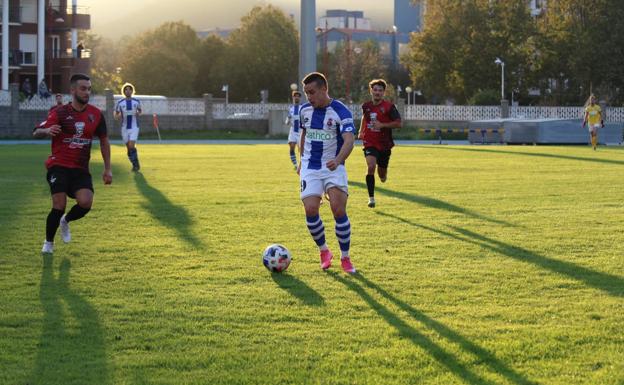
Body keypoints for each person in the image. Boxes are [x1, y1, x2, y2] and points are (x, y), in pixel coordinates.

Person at [33, 73, 112, 254]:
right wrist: (46, 130)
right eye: (83, 88)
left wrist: (108, 169)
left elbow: (104, 141)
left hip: (80, 169)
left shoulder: (96, 115)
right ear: (73, 90)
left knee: (86, 202)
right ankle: (49, 244)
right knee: (58, 205)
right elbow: (36, 131)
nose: (87, 92)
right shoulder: (59, 112)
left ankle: (65, 221)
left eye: (89, 89)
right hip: (58, 166)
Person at [298, 72, 356, 274]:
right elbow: (304, 134)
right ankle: (324, 251)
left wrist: (339, 160)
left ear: (324, 89)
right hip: (311, 167)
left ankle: (345, 257)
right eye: (306, 93)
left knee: (338, 209)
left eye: (312, 92)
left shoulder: (341, 111)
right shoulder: (304, 111)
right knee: (311, 209)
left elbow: (349, 140)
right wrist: (301, 161)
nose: (309, 97)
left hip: (334, 166)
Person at [358, 79, 402, 208]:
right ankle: (371, 198)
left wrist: (382, 125)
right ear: (371, 91)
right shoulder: (366, 106)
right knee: (371, 166)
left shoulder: (389, 107)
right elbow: (364, 117)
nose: (377, 92)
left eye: (380, 90)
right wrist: (361, 131)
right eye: (375, 90)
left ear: (384, 92)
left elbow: (399, 123)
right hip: (370, 141)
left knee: (382, 175)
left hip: (384, 143)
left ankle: (383, 174)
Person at [114, 83, 142, 171]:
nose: (128, 91)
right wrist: (117, 116)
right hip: (124, 127)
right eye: (126, 89)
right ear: (124, 91)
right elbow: (116, 114)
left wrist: (138, 113)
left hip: (134, 126)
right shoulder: (120, 102)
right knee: (129, 148)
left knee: (131, 145)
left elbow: (140, 111)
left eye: (130, 89)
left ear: (132, 91)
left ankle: (136, 166)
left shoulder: (136, 101)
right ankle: (134, 164)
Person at [285, 90, 302, 170]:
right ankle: (295, 164)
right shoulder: (291, 109)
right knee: (291, 146)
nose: (297, 97)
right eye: (295, 96)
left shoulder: (302, 108)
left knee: (301, 149)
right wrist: (287, 121)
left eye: (298, 96)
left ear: (300, 98)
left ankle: (302, 164)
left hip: (301, 131)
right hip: (293, 131)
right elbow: (287, 119)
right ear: (293, 97)